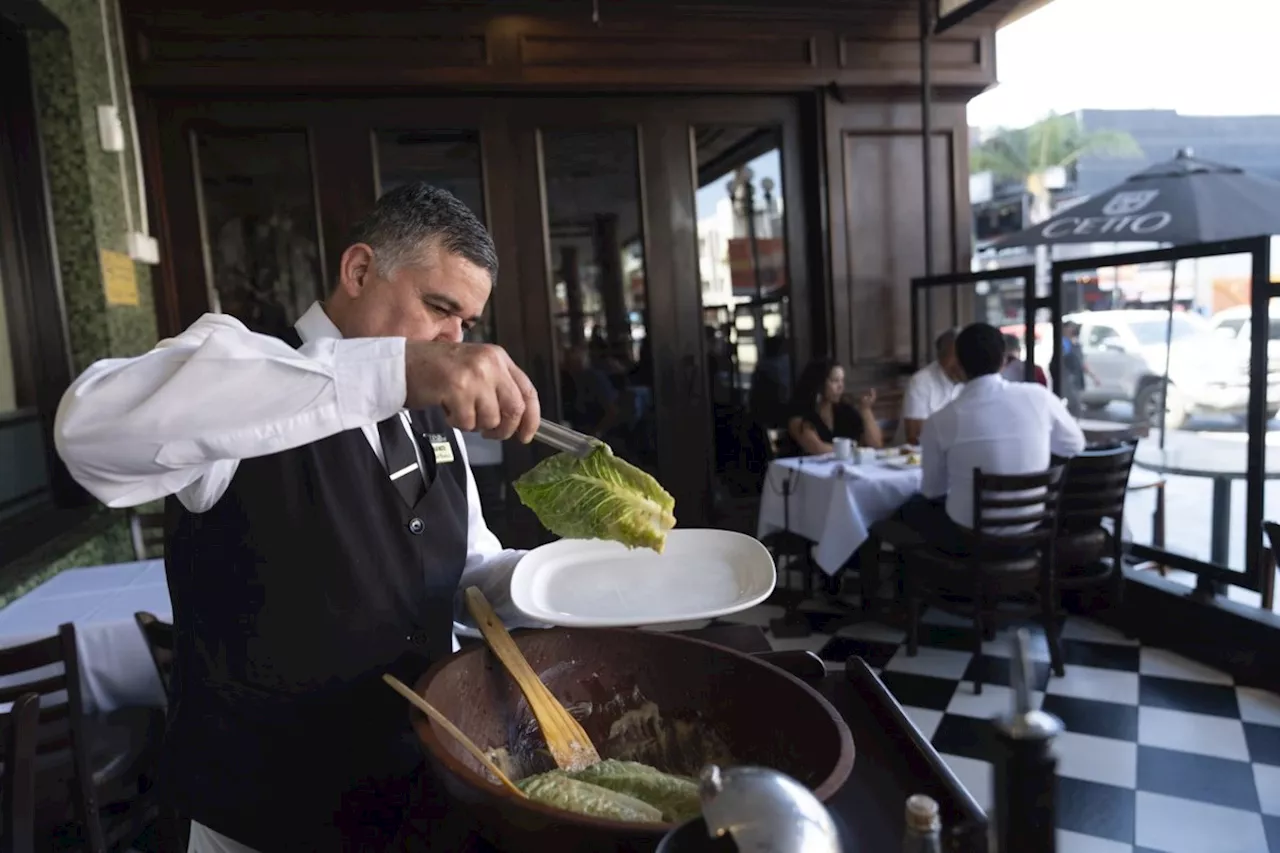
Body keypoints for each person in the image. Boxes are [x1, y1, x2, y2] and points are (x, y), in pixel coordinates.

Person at [54, 183, 543, 853]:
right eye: (439, 307)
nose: (453, 341)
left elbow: (463, 570)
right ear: (359, 270)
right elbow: (89, 433)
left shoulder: (432, 414)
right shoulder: (245, 374)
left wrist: (564, 580)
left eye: (466, 323)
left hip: (417, 791)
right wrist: (389, 368)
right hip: (261, 814)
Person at [899, 323, 1085, 555]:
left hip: (970, 542)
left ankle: (933, 586)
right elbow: (1074, 445)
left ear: (959, 364)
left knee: (909, 508)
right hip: (1031, 533)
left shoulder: (941, 421)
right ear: (1004, 360)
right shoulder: (1039, 397)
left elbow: (933, 490)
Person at [786, 358, 883, 455]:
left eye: (842, 380)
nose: (841, 386)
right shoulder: (799, 415)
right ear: (819, 383)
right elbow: (817, 448)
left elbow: (876, 444)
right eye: (835, 381)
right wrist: (855, 451)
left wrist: (865, 409)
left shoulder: (844, 409)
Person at [898, 328, 964, 444]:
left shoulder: (974, 379)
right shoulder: (921, 382)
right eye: (955, 356)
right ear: (940, 357)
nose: (960, 362)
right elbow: (915, 435)